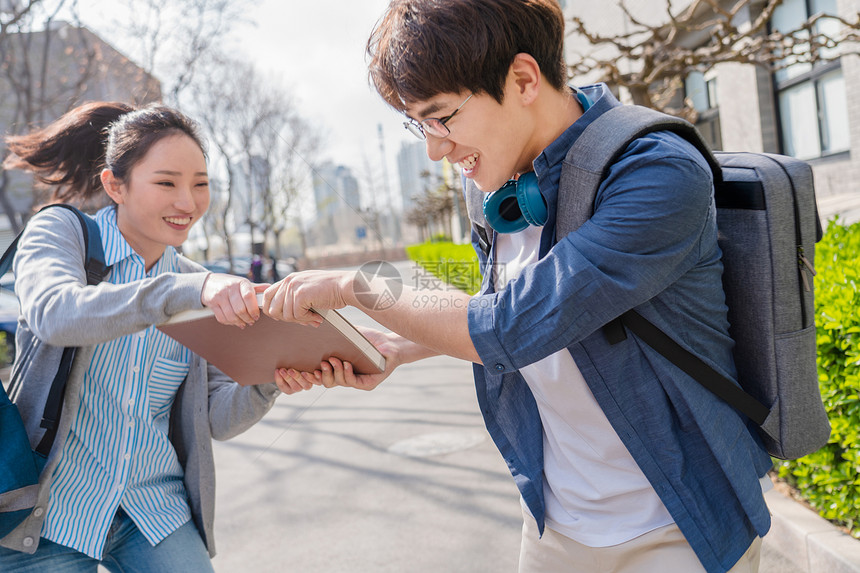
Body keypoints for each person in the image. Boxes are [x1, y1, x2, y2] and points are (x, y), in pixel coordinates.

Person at [262, 1, 773, 572]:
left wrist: (356, 286)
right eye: (418, 124)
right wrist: (402, 348)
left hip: (678, 524)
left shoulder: (657, 170)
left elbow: (511, 325)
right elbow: (501, 306)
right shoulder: (489, 183)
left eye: (443, 117)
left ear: (524, 79)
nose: (434, 147)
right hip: (552, 522)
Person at [0, 101, 310, 572]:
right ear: (114, 185)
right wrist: (186, 290)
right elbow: (55, 314)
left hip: (152, 510)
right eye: (166, 183)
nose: (188, 203)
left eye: (200, 185)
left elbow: (216, 418)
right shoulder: (62, 231)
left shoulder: (195, 285)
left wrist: (269, 378)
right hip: (46, 514)